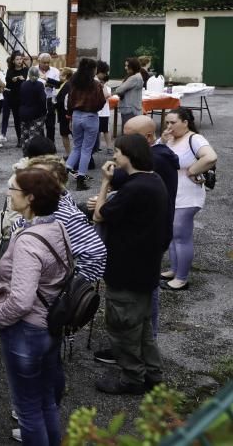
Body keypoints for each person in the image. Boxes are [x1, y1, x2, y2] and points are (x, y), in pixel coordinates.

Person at [90, 115, 177, 360]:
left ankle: (131, 374)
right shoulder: (152, 178)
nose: (113, 156)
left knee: (126, 321)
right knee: (143, 322)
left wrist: (105, 185)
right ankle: (150, 371)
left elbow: (98, 216)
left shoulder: (136, 186)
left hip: (128, 267)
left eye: (118, 151)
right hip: (145, 258)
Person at [0, 167, 69, 446]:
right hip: (50, 324)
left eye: (13, 189)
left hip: (27, 332)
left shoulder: (28, 241)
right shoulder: (57, 226)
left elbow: (21, 299)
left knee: (28, 409)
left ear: (30, 198)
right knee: (47, 401)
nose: (9, 194)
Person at [9, 154, 106, 284]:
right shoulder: (35, 210)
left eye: (40, 178)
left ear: (57, 183)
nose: (31, 180)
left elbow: (96, 252)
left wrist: (70, 288)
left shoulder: (63, 215)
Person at [160, 107, 217, 291]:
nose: (169, 126)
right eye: (167, 122)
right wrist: (162, 140)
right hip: (172, 194)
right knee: (172, 234)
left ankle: (182, 278)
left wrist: (193, 170)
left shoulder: (195, 138)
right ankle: (175, 269)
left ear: (185, 122)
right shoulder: (170, 138)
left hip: (188, 196)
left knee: (181, 235)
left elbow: (211, 157)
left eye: (173, 122)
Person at [65, 58, 106, 191]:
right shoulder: (96, 84)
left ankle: (63, 174)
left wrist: (71, 116)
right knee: (86, 149)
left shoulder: (74, 82)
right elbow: (101, 102)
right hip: (91, 116)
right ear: (92, 70)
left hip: (76, 115)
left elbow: (70, 101)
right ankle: (81, 179)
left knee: (76, 147)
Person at [1, 52, 28, 147]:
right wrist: (15, 79)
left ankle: (27, 138)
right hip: (14, 98)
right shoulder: (10, 71)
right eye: (17, 59)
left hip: (25, 97)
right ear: (13, 61)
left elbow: (27, 80)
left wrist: (21, 79)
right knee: (17, 119)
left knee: (25, 119)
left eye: (21, 59)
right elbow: (8, 83)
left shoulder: (26, 70)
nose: (19, 61)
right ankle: (19, 139)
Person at [18, 67, 48, 148]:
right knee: (34, 136)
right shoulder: (40, 85)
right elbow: (43, 99)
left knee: (25, 135)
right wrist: (44, 112)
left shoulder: (23, 84)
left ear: (29, 74)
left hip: (24, 113)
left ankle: (25, 152)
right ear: (38, 75)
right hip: (36, 114)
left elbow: (20, 98)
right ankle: (33, 154)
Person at [36, 53, 61, 142]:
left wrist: (48, 84)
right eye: (44, 62)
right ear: (39, 61)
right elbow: (30, 83)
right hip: (38, 100)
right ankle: (41, 145)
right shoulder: (33, 70)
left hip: (50, 100)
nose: (46, 64)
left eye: (48, 62)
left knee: (50, 125)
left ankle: (51, 144)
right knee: (38, 124)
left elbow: (59, 84)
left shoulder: (55, 71)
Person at [54, 67, 74, 159]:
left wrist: (55, 103)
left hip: (65, 113)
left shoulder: (68, 85)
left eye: (61, 75)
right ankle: (70, 153)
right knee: (67, 133)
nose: (59, 77)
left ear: (66, 76)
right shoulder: (66, 84)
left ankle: (69, 153)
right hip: (65, 113)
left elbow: (64, 100)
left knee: (65, 133)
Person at [96, 70, 112, 153]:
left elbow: (106, 95)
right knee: (95, 131)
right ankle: (96, 146)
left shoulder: (107, 88)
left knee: (105, 130)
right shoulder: (95, 86)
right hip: (96, 112)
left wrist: (103, 86)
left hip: (104, 113)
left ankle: (109, 147)